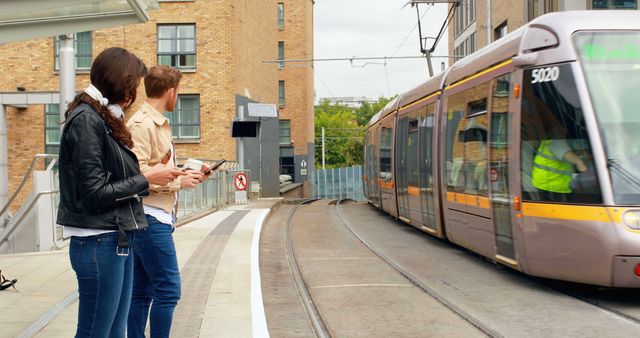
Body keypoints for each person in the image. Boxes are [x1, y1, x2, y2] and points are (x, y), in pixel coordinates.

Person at [57, 47, 183, 338]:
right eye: (134, 84)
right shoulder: (87, 120)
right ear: (120, 82)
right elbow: (94, 192)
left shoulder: (100, 117)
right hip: (99, 242)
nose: (136, 92)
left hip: (114, 238)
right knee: (95, 332)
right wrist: (146, 177)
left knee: (114, 331)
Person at [126, 65, 210, 338]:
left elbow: (158, 168)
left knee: (142, 291)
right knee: (168, 290)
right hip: (149, 217)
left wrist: (189, 173)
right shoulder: (141, 125)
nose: (178, 97)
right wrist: (179, 182)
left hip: (152, 215)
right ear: (170, 92)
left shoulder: (157, 122)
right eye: (179, 92)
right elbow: (134, 175)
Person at [532, 136, 587, 202]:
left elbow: (568, 151)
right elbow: (567, 154)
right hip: (553, 187)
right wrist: (580, 163)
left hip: (544, 185)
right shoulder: (557, 141)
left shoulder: (548, 141)